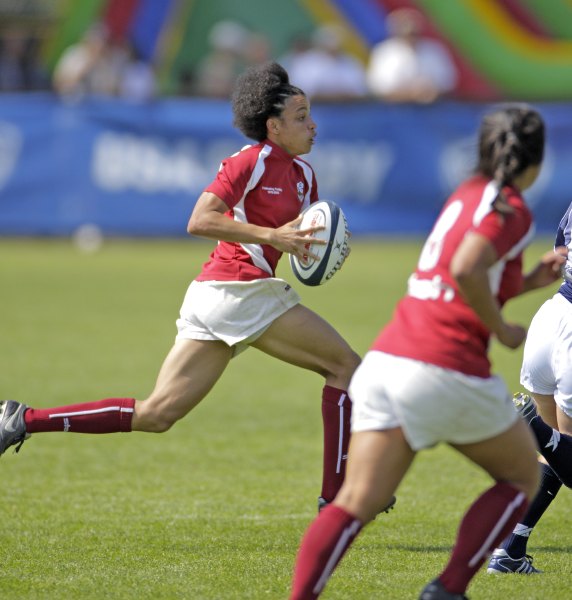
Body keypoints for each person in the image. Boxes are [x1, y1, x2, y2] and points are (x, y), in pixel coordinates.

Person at [0, 62, 360, 513]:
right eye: (301, 116)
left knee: (157, 413)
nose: (313, 125)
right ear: (273, 126)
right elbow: (200, 220)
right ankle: (338, 499)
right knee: (345, 367)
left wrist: (319, 251)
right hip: (237, 288)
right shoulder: (250, 161)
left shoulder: (304, 177)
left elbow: (300, 241)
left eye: (310, 115)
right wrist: (272, 236)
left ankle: (23, 419)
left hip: (224, 296)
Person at [289, 104, 568, 600]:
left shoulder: (464, 195)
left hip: (389, 358)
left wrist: (526, 282)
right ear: (536, 161)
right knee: (521, 475)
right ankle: (448, 589)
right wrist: (502, 329)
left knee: (356, 502)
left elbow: (457, 277)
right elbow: (465, 270)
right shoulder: (511, 208)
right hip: (447, 366)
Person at [487, 201, 572, 575]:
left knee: (556, 453)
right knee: (566, 455)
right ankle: (532, 425)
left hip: (552, 317)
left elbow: (560, 251)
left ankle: (510, 551)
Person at [367, 7, 457, 103]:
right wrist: (410, 94)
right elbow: (378, 87)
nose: (410, 36)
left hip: (434, 106)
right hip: (394, 108)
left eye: (413, 32)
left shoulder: (435, 50)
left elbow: (448, 82)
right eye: (406, 32)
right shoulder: (384, 52)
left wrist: (427, 91)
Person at [287, 24, 368, 102]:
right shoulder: (305, 62)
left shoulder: (350, 62)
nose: (334, 47)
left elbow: (360, 90)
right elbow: (303, 91)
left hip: (348, 108)